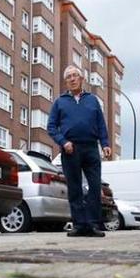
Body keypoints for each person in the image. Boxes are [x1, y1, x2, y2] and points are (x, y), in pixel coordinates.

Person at [47, 65, 112, 237]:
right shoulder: (60, 102)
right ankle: (79, 225)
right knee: (74, 188)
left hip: (91, 148)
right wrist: (63, 142)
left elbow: (101, 124)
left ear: (81, 79)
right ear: (66, 81)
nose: (73, 79)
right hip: (70, 149)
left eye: (75, 75)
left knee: (95, 186)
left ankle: (92, 224)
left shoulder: (92, 100)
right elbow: (51, 127)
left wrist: (105, 143)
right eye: (69, 77)